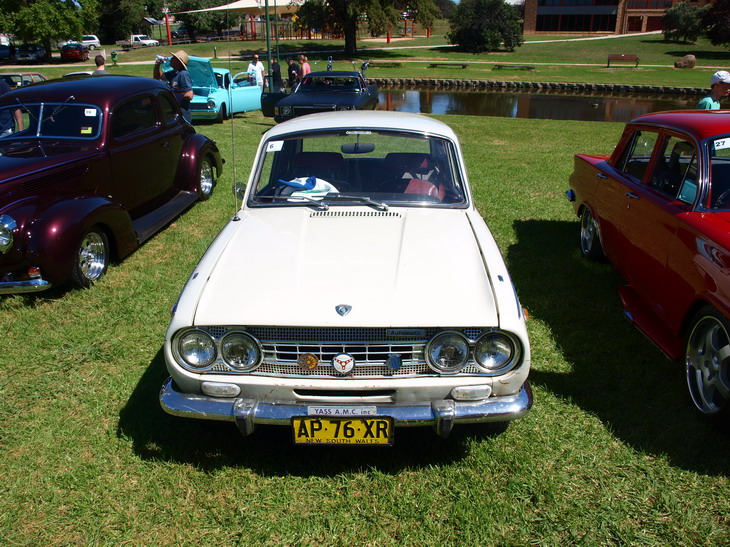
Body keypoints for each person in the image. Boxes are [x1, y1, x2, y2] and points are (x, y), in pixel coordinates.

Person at [153, 50, 193, 123]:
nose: (171, 59)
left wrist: (171, 96)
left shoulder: (183, 74)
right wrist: (157, 64)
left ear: (179, 61)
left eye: (173, 58)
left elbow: (190, 95)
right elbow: (157, 77)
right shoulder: (173, 73)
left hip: (182, 115)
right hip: (175, 113)